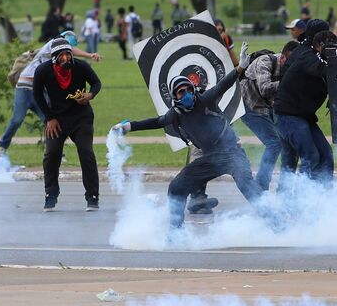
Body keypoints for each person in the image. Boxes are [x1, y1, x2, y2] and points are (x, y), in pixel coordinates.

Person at [112, 43, 267, 230]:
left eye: (188, 89)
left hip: (232, 152)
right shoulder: (175, 114)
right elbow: (156, 122)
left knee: (248, 187)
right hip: (209, 158)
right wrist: (127, 127)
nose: (186, 94)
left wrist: (241, 67)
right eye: (181, 92)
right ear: (174, 96)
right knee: (176, 188)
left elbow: (223, 85)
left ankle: (277, 222)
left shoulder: (205, 99)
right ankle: (176, 234)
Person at [0, 31, 101, 155]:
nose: (67, 52)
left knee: (51, 120)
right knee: (17, 119)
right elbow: (71, 50)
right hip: (25, 86)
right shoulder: (53, 44)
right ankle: (2, 148)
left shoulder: (58, 58)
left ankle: (55, 152)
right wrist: (89, 55)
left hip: (40, 91)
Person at [33, 39, 102, 212]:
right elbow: (37, 95)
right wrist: (49, 118)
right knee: (51, 154)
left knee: (86, 153)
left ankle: (92, 196)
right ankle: (51, 194)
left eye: (68, 54)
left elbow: (96, 83)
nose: (65, 58)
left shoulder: (81, 66)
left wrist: (90, 95)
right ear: (54, 57)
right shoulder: (43, 70)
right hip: (56, 119)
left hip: (81, 117)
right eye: (61, 55)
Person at [274, 21, 336, 187]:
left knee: (325, 154)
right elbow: (323, 70)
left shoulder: (309, 52)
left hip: (301, 114)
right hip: (289, 114)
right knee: (311, 157)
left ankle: (321, 198)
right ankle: (303, 202)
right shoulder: (306, 54)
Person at [239, 41, 299, 191]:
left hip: (267, 106)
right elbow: (265, 88)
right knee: (274, 143)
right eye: (290, 62)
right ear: (283, 58)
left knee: (288, 143)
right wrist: (288, 80)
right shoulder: (265, 61)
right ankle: (260, 186)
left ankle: (283, 189)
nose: (292, 67)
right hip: (250, 106)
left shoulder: (289, 67)